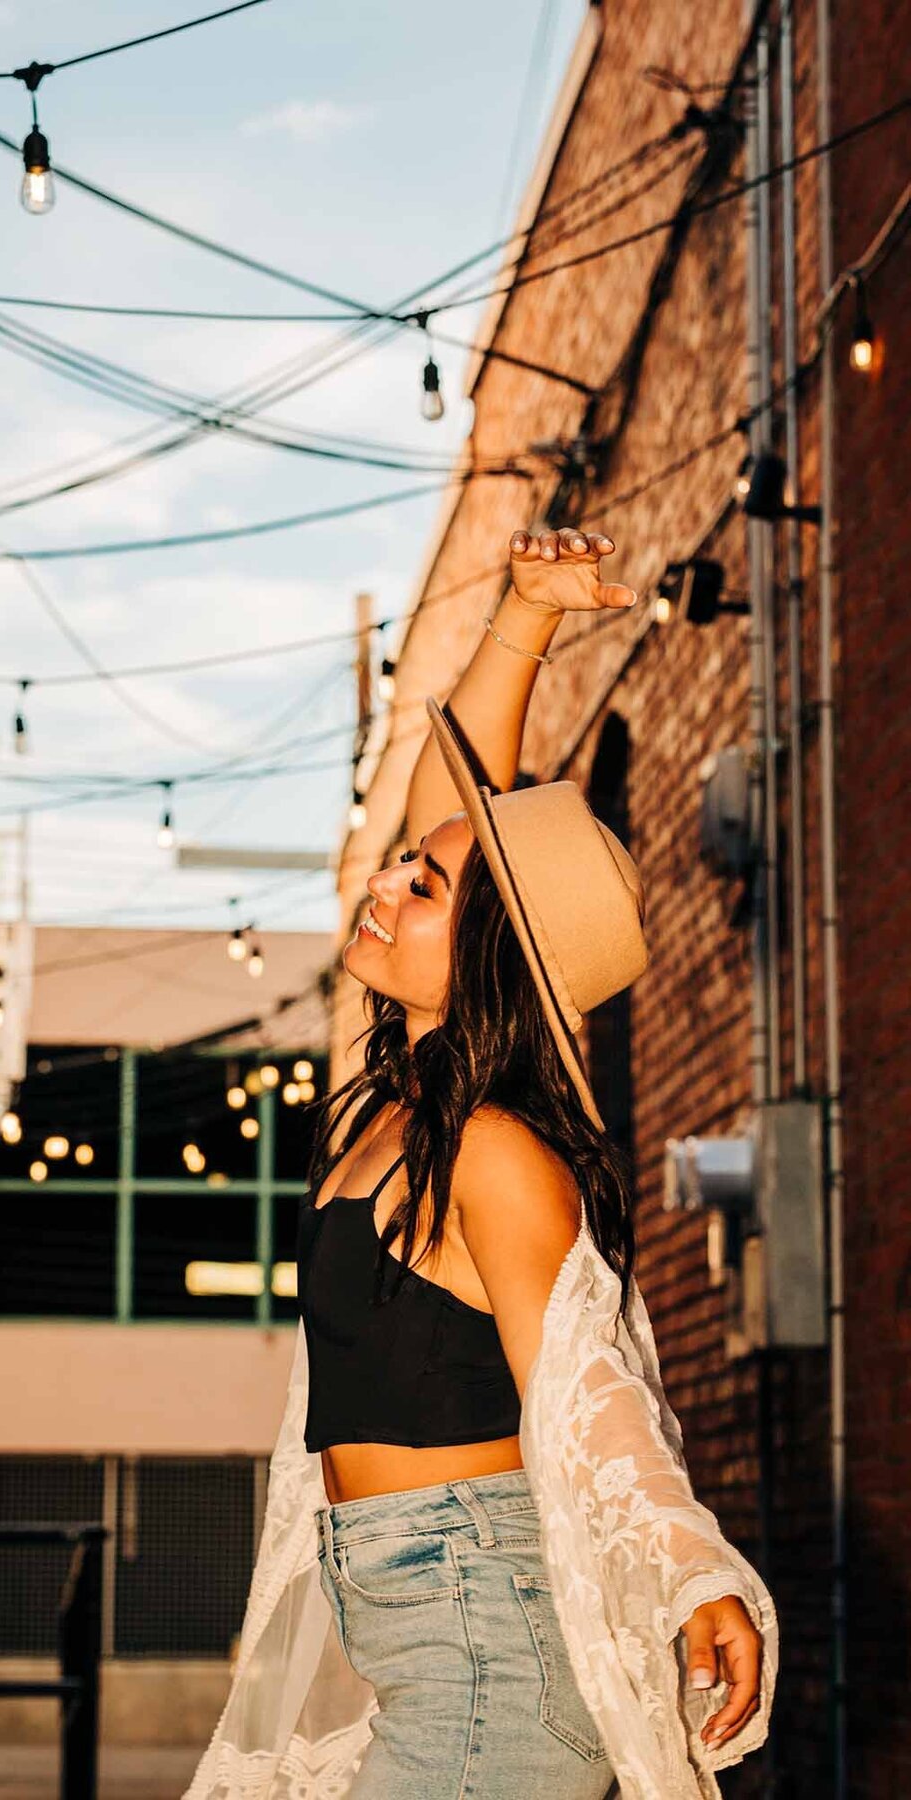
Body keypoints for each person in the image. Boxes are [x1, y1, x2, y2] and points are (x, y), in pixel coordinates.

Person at [184, 526, 779, 1800]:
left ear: (496, 957)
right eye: (401, 866)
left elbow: (592, 1390)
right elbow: (446, 805)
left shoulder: (496, 1155)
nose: (391, 883)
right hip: (425, 1638)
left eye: (427, 886)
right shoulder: (401, 1112)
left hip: (486, 1652)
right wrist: (524, 616)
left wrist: (690, 1567)